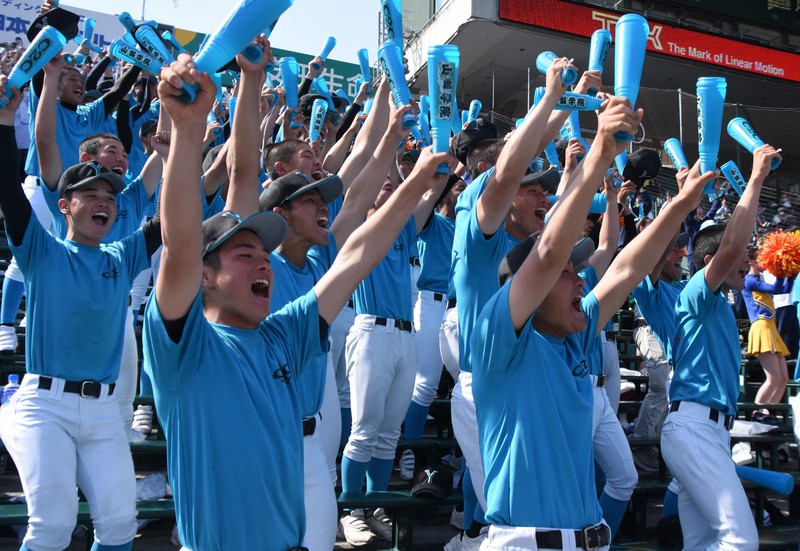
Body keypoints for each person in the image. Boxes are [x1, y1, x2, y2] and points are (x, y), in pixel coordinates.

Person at [143, 50, 452, 550]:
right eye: (245, 255)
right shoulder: (184, 348)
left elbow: (357, 256)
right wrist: (186, 128)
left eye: (264, 254)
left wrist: (419, 180)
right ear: (205, 276)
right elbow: (180, 244)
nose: (263, 263)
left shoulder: (283, 334)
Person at [471, 95, 713, 551]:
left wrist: (681, 205)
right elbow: (547, 253)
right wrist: (600, 151)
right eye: (567, 273)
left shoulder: (575, 340)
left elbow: (626, 269)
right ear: (529, 289)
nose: (580, 281)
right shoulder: (499, 340)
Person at [0, 75, 161, 551]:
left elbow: (173, 216)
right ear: (64, 205)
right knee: (52, 526)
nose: (104, 203)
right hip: (45, 405)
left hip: (103, 412)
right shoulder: (42, 249)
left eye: (110, 197)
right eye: (90, 195)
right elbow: (8, 189)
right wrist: (5, 121)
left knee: (119, 525)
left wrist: (183, 141)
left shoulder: (122, 255)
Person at [662, 143, 781, 550]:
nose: (747, 261)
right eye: (743, 255)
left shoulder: (716, 304)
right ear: (712, 260)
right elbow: (729, 248)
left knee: (703, 543)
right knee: (740, 541)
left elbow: (730, 249)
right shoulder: (696, 292)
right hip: (695, 428)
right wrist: (757, 177)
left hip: (707, 431)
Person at [743, 246, 793, 422]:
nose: (764, 263)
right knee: (773, 378)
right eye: (760, 260)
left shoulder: (759, 280)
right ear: (751, 262)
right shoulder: (749, 280)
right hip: (761, 328)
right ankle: (756, 413)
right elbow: (777, 289)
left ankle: (767, 413)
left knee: (783, 378)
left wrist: (791, 273)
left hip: (771, 328)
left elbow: (784, 289)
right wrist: (781, 271)